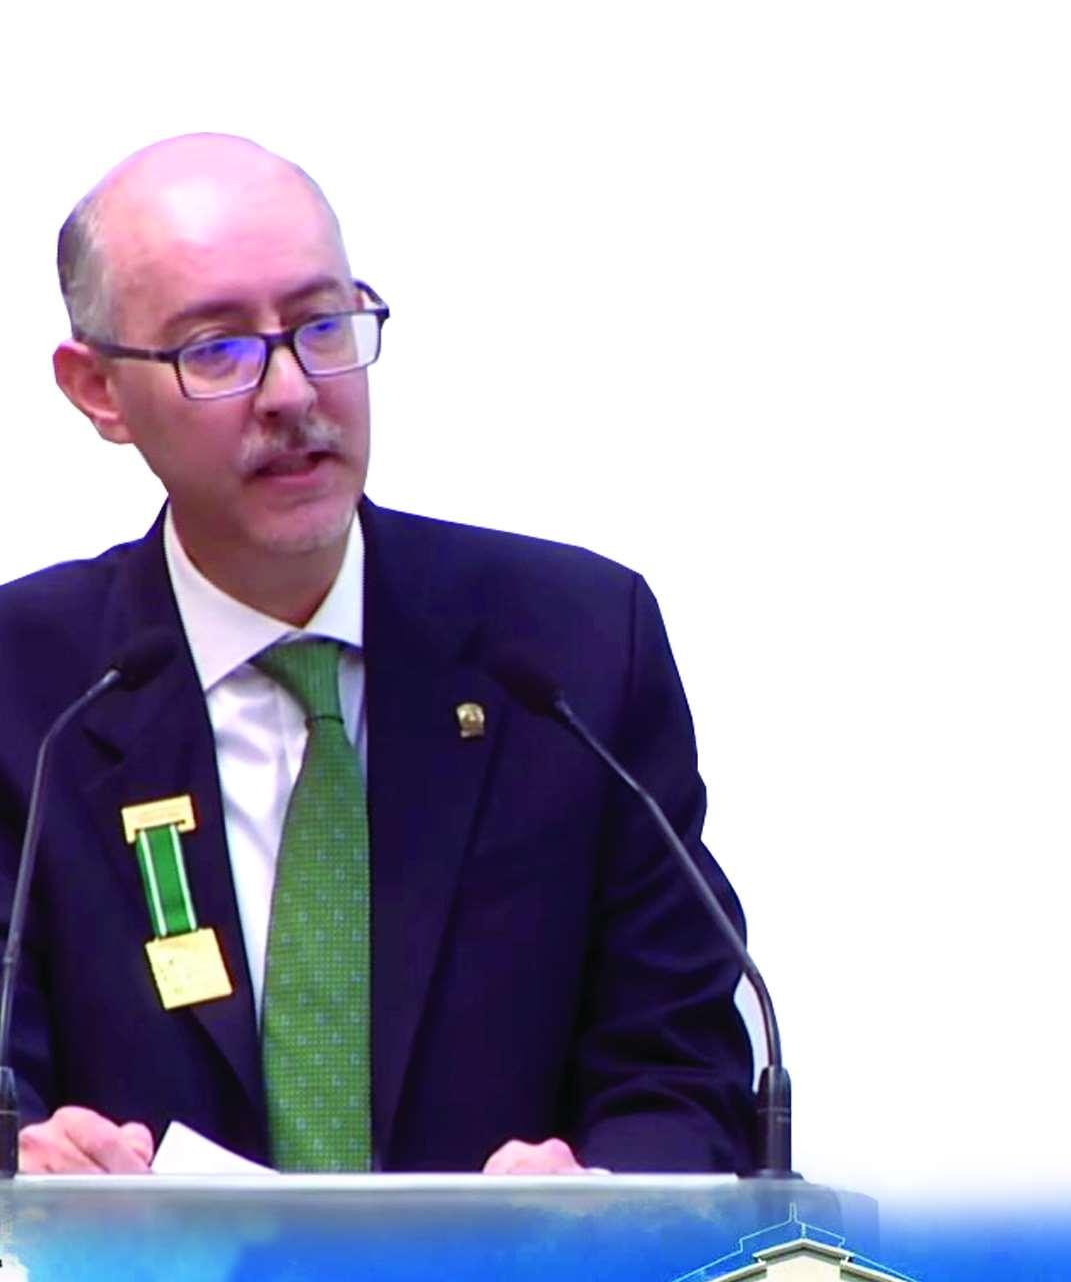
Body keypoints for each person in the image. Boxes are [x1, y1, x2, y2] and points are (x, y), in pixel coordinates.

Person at [0, 134, 755, 1176]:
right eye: (216, 350)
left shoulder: (571, 651)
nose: (291, 392)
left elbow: (682, 1069)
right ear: (98, 390)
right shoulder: (29, 690)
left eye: (323, 326)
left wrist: (602, 1198)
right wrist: (34, 1166)